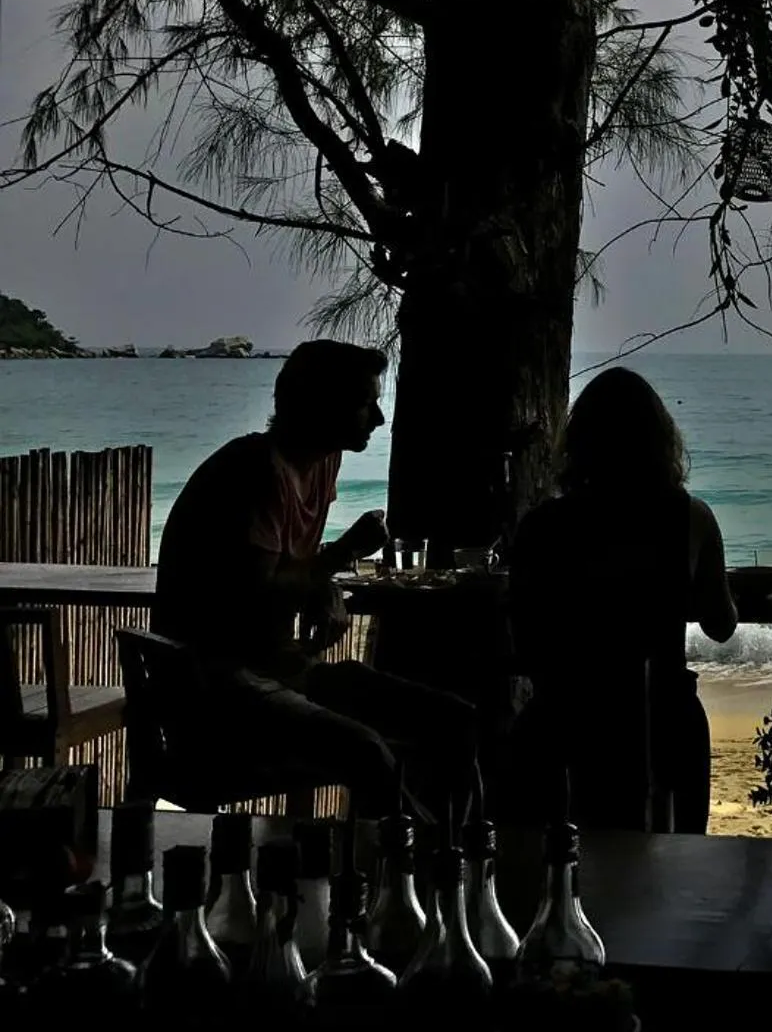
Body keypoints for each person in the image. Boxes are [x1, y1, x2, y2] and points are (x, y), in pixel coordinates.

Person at [151, 340, 477, 817]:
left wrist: (323, 585)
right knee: (365, 751)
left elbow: (288, 567)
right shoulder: (254, 472)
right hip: (216, 688)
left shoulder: (323, 464)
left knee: (455, 721)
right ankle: (415, 869)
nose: (380, 418)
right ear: (323, 405)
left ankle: (439, 857)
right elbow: (255, 595)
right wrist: (343, 554)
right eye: (367, 403)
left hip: (280, 670)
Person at [508, 367, 737, 831]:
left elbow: (526, 644)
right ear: (661, 442)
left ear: (579, 443)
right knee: (681, 862)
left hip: (566, 720)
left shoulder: (542, 525)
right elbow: (720, 624)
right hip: (663, 717)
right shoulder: (690, 516)